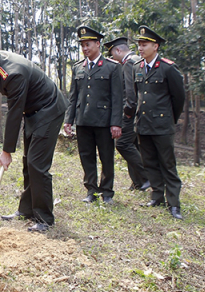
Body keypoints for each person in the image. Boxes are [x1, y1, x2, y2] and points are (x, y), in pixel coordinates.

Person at [0, 39, 68, 232]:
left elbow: (14, 112)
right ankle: (26, 210)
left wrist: (6, 151)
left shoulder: (13, 73)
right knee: (29, 162)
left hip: (49, 110)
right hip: (33, 111)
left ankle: (45, 218)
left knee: (37, 164)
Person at [129, 26, 186, 220]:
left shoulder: (168, 68)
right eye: (139, 45)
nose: (140, 48)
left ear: (155, 46)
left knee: (167, 164)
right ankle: (157, 196)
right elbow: (138, 95)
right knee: (150, 162)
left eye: (144, 45)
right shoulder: (137, 67)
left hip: (162, 125)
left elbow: (178, 98)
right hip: (143, 124)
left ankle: (174, 204)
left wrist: (170, 119)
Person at [63, 26, 123, 204]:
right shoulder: (78, 68)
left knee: (106, 157)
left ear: (98, 44)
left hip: (104, 122)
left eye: (88, 44)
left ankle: (107, 192)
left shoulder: (112, 67)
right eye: (82, 45)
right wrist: (69, 120)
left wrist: (116, 123)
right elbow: (73, 97)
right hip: (83, 120)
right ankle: (91, 190)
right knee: (86, 156)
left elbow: (117, 98)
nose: (85, 49)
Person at [105, 37, 151, 192]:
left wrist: (127, 114)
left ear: (118, 50)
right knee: (134, 146)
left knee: (123, 144)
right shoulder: (138, 59)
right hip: (142, 112)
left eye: (112, 53)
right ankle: (138, 182)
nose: (111, 58)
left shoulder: (129, 63)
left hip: (132, 113)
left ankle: (147, 177)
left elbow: (130, 94)